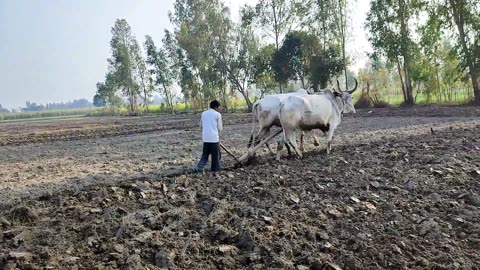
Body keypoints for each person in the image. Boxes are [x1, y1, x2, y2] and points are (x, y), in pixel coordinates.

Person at [195, 100, 223, 172]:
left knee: (205, 155)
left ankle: (199, 167)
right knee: (216, 156)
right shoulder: (218, 114)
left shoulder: (203, 113)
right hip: (214, 139)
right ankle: (215, 170)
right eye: (218, 107)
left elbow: (200, 126)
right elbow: (220, 128)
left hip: (205, 138)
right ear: (216, 107)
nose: (219, 109)